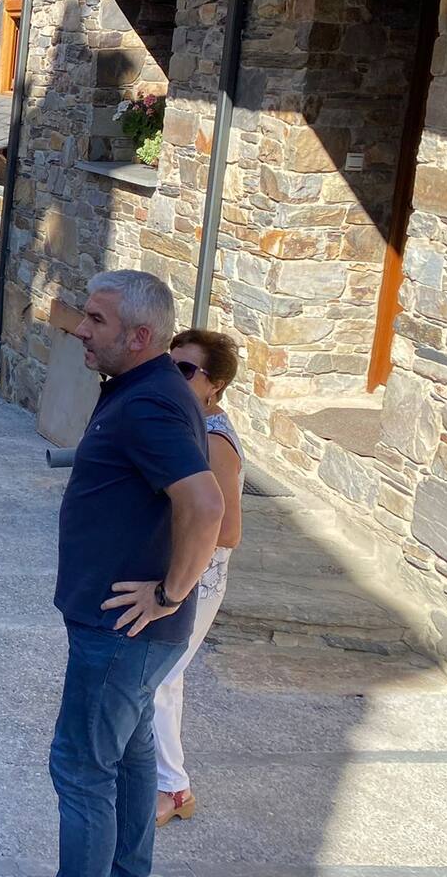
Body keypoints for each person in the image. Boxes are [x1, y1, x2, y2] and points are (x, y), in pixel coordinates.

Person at [51, 271, 225, 877]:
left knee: (79, 767)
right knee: (128, 757)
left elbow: (205, 505)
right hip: (121, 629)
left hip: (121, 630)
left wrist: (170, 592)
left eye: (97, 320)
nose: (80, 329)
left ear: (140, 336)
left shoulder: (149, 400)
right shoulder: (143, 387)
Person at [155, 328, 244, 828]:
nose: (174, 376)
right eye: (170, 366)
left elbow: (228, 530)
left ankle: (173, 788)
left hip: (196, 579)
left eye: (186, 370)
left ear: (215, 385)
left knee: (159, 679)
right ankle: (162, 779)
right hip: (178, 570)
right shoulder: (187, 422)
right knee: (163, 678)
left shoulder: (213, 438)